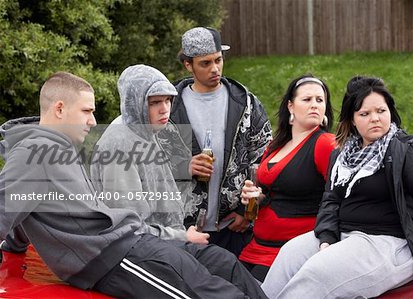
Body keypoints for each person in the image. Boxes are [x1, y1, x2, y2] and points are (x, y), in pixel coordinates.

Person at [0, 71, 268, 299]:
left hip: (130, 242)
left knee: (223, 265)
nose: (93, 122)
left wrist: (14, 246)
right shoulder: (35, 150)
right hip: (113, 256)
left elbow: (25, 204)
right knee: (214, 293)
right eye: (87, 111)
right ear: (59, 109)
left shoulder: (55, 149)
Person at [261, 76, 413, 298]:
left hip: (390, 242)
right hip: (344, 233)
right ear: (351, 119)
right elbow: (331, 199)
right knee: (289, 254)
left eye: (381, 111)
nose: (375, 119)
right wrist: (327, 236)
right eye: (365, 114)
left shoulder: (408, 150)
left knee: (317, 274)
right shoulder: (342, 154)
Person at [171, 27, 272, 256]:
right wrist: (184, 167)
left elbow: (264, 158)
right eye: (205, 63)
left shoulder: (245, 102)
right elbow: (150, 161)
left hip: (234, 227)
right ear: (188, 64)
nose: (215, 69)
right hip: (184, 229)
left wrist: (247, 211)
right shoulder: (169, 106)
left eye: (218, 60)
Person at [90, 64, 209, 245]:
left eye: (168, 100)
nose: (165, 109)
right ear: (134, 103)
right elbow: (130, 228)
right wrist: (183, 237)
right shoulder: (120, 146)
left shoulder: (145, 130)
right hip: (141, 254)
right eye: (154, 102)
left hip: (163, 244)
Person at [238, 74, 335, 281]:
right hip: (257, 246)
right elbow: (275, 192)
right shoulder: (276, 146)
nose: (315, 105)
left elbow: (338, 196)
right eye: (307, 100)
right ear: (291, 106)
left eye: (320, 100)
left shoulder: (325, 143)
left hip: (288, 254)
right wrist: (257, 197)